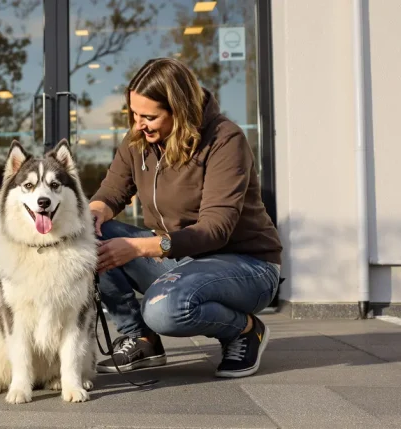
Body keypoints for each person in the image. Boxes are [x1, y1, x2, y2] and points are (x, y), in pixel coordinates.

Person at [89, 57, 283, 379]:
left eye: (149, 116)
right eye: (134, 114)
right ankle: (141, 339)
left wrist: (137, 248)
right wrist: (94, 214)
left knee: (164, 311)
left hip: (246, 266)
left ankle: (246, 330)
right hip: (182, 259)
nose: (138, 124)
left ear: (178, 110)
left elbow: (215, 230)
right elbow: (110, 193)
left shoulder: (224, 140)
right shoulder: (140, 140)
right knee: (93, 234)